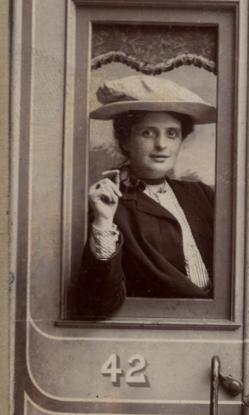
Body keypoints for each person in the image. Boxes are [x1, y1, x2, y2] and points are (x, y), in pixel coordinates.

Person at [72, 75, 217, 317]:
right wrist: (104, 222)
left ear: (181, 141)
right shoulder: (110, 203)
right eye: (148, 133)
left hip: (216, 326)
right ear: (126, 140)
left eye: (172, 134)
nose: (161, 145)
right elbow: (98, 304)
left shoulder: (200, 195)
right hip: (153, 331)